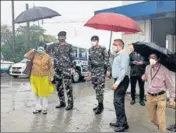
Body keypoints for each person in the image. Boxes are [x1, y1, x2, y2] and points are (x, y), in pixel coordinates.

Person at [141, 53, 175, 132]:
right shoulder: (147, 67)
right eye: (150, 57)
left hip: (161, 97)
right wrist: (144, 77)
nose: (151, 59)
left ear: (158, 59)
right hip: (150, 96)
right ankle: (161, 128)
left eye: (153, 57)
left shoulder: (164, 70)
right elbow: (146, 76)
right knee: (152, 119)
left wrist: (172, 98)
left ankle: (162, 129)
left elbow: (171, 85)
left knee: (161, 119)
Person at [46, 31, 75, 110]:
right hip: (57, 69)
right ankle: (62, 102)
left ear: (65, 37)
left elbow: (72, 57)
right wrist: (42, 43)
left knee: (68, 87)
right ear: (58, 37)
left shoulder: (69, 46)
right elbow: (46, 49)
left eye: (62, 37)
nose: (61, 38)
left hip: (66, 69)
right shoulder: (54, 46)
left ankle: (70, 104)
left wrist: (73, 68)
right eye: (59, 37)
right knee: (59, 87)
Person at [24, 44, 54, 114]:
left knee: (44, 94)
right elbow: (25, 56)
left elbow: (50, 67)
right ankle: (38, 108)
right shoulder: (34, 55)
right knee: (35, 93)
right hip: (34, 77)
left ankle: (45, 108)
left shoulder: (47, 56)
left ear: (45, 49)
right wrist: (32, 50)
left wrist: (52, 76)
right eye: (39, 48)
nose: (40, 49)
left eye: (42, 48)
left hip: (44, 77)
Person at [86, 35, 110, 115]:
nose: (93, 42)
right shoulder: (90, 50)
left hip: (100, 71)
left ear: (97, 41)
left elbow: (107, 60)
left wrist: (108, 71)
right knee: (96, 88)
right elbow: (89, 61)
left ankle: (100, 106)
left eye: (94, 40)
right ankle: (99, 104)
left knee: (100, 89)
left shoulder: (103, 49)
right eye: (92, 40)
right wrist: (89, 72)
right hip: (93, 72)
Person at [109, 39, 130, 132]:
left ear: (120, 45)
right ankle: (120, 121)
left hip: (121, 80)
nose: (113, 46)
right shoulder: (117, 55)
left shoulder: (124, 55)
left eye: (115, 45)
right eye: (113, 44)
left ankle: (122, 124)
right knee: (116, 102)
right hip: (118, 79)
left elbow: (123, 70)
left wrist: (117, 83)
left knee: (118, 102)